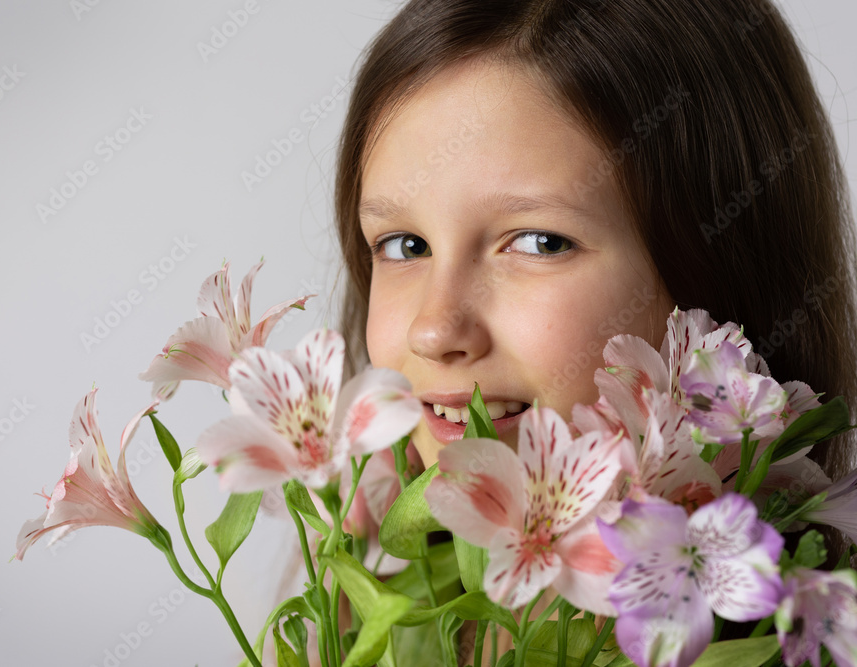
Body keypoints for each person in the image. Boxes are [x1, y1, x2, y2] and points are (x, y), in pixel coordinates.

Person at [330, 0, 857, 659]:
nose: (435, 331)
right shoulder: (348, 619)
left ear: (717, 271)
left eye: (541, 241)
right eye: (405, 245)